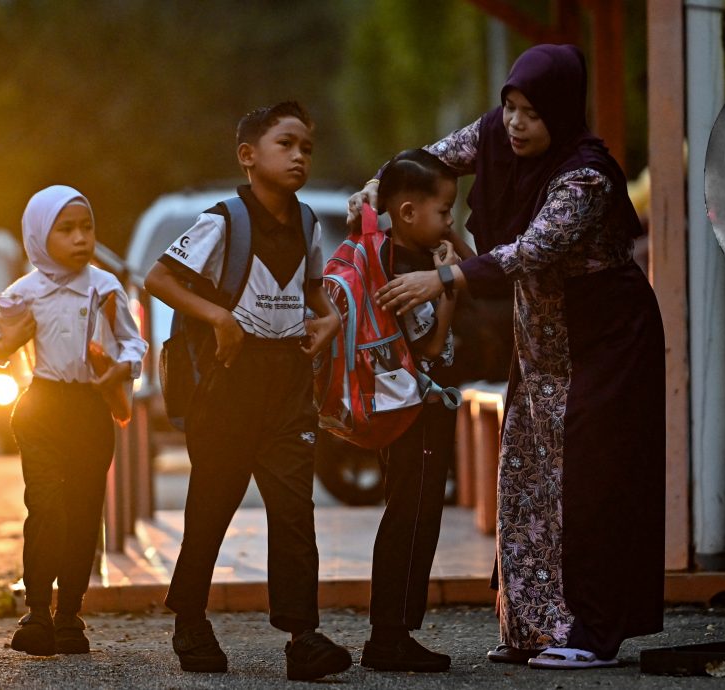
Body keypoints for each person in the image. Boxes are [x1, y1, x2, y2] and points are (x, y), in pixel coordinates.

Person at [349, 44, 666, 670]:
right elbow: (431, 159)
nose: (517, 124)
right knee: (525, 478)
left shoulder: (585, 178)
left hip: (605, 344)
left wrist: (442, 279)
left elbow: (531, 250)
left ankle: (593, 633)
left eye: (533, 114)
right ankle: (535, 627)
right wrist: (378, 185)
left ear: (562, 114)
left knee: (590, 485)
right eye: (511, 108)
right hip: (544, 344)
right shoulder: (498, 133)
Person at [143, 101, 352, 681]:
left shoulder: (308, 221)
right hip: (228, 382)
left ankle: (302, 637)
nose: (299, 156)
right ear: (248, 156)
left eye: (306, 148)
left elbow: (314, 288)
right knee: (211, 507)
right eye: (285, 144)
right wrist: (220, 318)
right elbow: (158, 277)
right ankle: (190, 620)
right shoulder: (223, 221)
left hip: (287, 383)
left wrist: (329, 318)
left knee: (293, 513)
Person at [0, 185, 147, 656]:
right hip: (41, 409)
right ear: (38, 236)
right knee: (47, 509)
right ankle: (36, 613)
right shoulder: (23, 292)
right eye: (66, 229)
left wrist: (122, 366)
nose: (80, 238)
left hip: (91, 412)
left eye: (87, 228)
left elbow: (133, 343)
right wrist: (10, 338)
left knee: (83, 512)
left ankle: (69, 615)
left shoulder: (105, 287)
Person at [360, 149, 461, 673]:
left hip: (400, 408)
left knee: (407, 510)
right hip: (416, 410)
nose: (450, 222)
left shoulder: (389, 255)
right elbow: (432, 346)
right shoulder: (408, 275)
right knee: (412, 515)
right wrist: (447, 288)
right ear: (406, 214)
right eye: (443, 212)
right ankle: (389, 636)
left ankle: (391, 631)